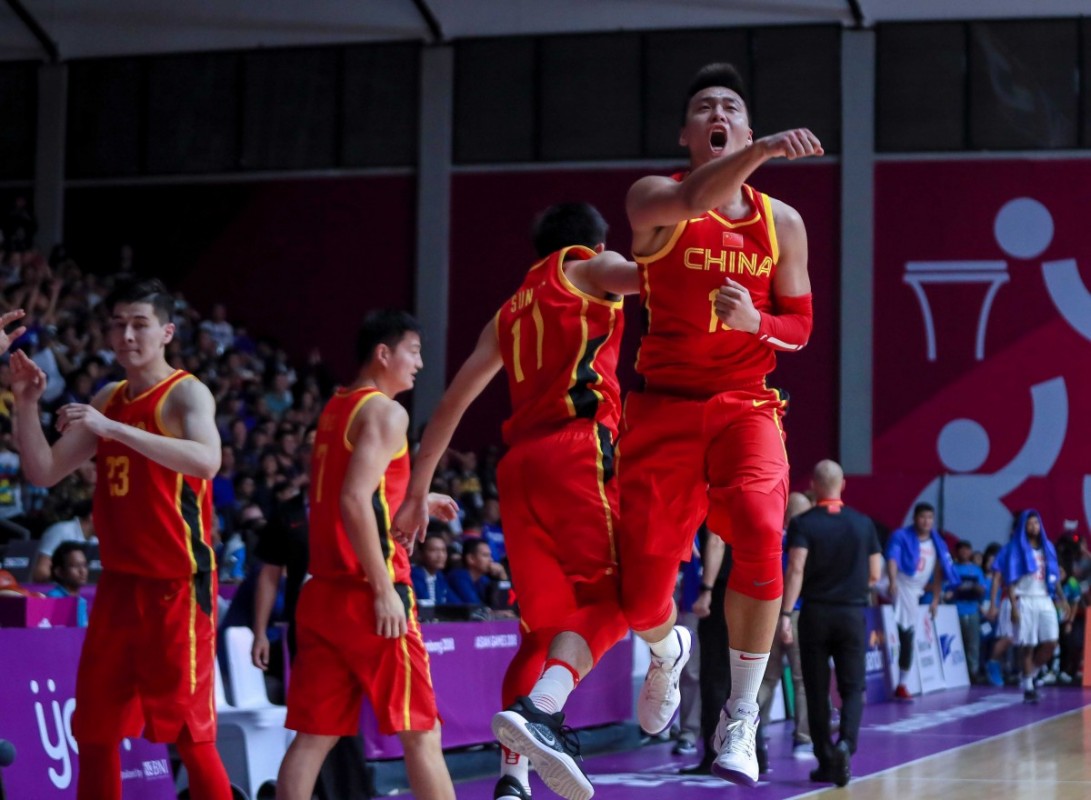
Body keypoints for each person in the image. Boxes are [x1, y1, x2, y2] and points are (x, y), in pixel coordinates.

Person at [620, 61, 822, 786]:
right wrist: (761, 149)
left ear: (742, 124)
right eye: (704, 106)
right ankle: (663, 651)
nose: (718, 113)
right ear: (687, 133)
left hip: (745, 403)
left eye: (730, 106)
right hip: (662, 406)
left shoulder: (782, 222)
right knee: (642, 592)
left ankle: (739, 717)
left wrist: (755, 323)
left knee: (763, 532)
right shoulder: (653, 197)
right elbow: (694, 196)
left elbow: (800, 326)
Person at [393, 203, 636, 800]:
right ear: (595, 240)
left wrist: (416, 493)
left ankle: (512, 779)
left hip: (519, 470)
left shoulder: (510, 311)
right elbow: (663, 274)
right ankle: (544, 711)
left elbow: (450, 404)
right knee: (626, 597)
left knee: (539, 633)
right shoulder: (591, 266)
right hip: (577, 450)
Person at [11, 277, 231, 800]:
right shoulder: (107, 397)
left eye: (139, 324)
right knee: (95, 730)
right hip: (118, 586)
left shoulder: (186, 392)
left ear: (167, 332)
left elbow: (208, 460)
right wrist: (25, 403)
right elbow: (43, 471)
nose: (127, 335)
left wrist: (114, 431)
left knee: (190, 735)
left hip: (178, 586)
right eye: (118, 325)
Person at [276, 310, 457, 800]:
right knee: (422, 732)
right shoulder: (387, 412)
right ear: (383, 354)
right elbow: (354, 500)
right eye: (413, 351)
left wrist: (418, 498)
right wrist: (382, 590)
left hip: (322, 595)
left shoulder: (337, 408)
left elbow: (361, 491)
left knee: (313, 739)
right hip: (369, 593)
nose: (419, 363)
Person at [780, 460, 881, 788]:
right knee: (853, 687)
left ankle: (824, 760)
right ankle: (846, 744)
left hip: (815, 614)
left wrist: (785, 615)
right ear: (843, 484)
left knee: (815, 687)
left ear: (813, 485)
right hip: (851, 614)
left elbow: (796, 568)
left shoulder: (803, 523)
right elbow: (875, 574)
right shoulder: (863, 523)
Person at [758, 491, 813, 758]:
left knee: (766, 678)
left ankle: (752, 731)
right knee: (802, 680)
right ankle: (803, 739)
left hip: (768, 614)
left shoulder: (769, 540)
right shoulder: (804, 542)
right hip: (797, 615)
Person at [992, 510, 1068, 703]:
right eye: (1030, 523)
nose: (1034, 526)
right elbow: (1010, 581)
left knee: (1051, 641)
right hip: (1025, 599)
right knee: (1028, 645)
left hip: (1045, 599)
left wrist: (1063, 599)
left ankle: (1029, 674)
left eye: (1036, 523)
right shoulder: (1015, 549)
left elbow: (1055, 576)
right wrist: (1014, 607)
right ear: (1023, 527)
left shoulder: (1047, 547)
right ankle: (1028, 687)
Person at [885, 502, 958, 700]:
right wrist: (892, 581)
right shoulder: (901, 536)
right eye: (922, 517)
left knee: (908, 632)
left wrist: (935, 600)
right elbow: (892, 558)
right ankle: (902, 684)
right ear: (915, 518)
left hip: (916, 590)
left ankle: (902, 683)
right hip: (899, 582)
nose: (926, 521)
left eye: (929, 518)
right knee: (873, 579)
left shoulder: (937, 543)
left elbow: (938, 573)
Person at [947, 539, 987, 683]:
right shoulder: (951, 569)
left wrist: (976, 588)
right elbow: (947, 590)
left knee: (973, 644)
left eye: (967, 549)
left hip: (972, 610)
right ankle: (956, 673)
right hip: (955, 610)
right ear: (957, 552)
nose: (964, 552)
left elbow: (982, 589)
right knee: (957, 644)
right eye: (961, 549)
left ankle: (973, 672)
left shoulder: (976, 570)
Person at [31, 498, 96, 582]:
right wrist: (67, 582)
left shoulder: (97, 540)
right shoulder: (61, 531)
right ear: (92, 516)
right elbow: (40, 572)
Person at [46, 539, 89, 627]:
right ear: (59, 572)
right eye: (75, 566)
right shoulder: (54, 599)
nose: (82, 571)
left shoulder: (81, 601)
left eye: (84, 565)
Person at [411, 531, 453, 606]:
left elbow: (454, 603)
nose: (440, 555)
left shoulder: (439, 576)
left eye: (443, 550)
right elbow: (424, 604)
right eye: (434, 550)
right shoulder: (414, 574)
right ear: (420, 554)